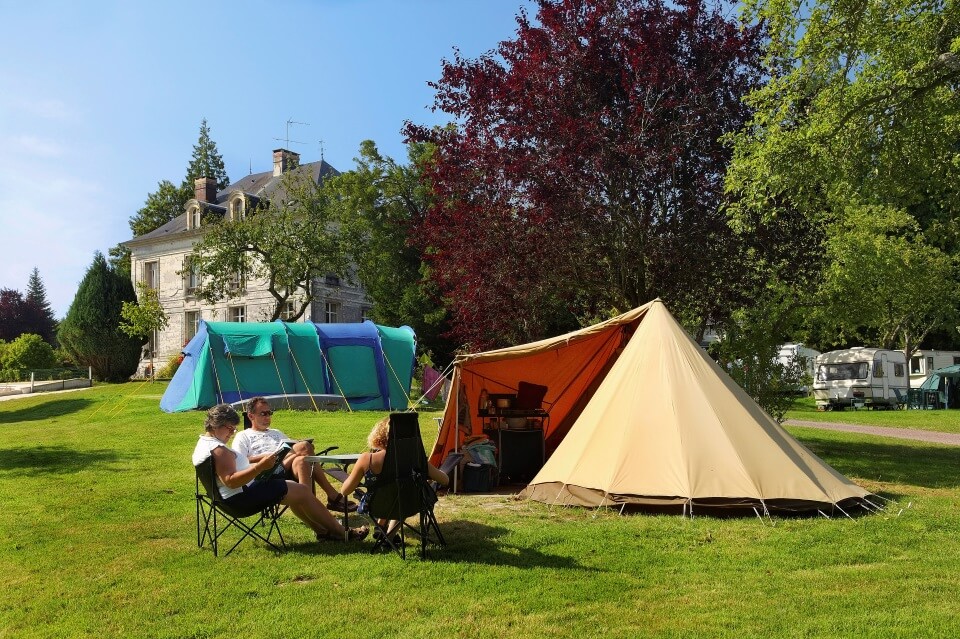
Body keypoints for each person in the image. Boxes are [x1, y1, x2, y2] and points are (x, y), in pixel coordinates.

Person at [192, 403, 368, 542]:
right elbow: (231, 481)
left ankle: (325, 531)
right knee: (302, 492)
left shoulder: (205, 445)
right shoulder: (218, 450)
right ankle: (342, 533)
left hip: (235, 496)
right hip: (242, 498)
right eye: (230, 428)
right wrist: (260, 466)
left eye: (233, 429)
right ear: (216, 425)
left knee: (297, 488)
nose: (232, 432)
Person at [231, 396, 357, 513]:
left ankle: (310, 504)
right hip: (266, 472)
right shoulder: (243, 436)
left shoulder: (277, 432)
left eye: (269, 413)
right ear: (251, 416)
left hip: (286, 466)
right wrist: (267, 456)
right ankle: (332, 496)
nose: (267, 417)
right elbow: (240, 460)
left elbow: (290, 448)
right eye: (263, 414)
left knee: (302, 459)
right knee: (303, 447)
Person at [339, 416, 449, 536]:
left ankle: (383, 531)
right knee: (405, 491)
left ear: (379, 435)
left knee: (397, 492)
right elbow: (444, 480)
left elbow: (345, 491)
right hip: (410, 504)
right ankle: (388, 536)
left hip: (378, 506)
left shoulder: (367, 459)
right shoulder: (415, 458)